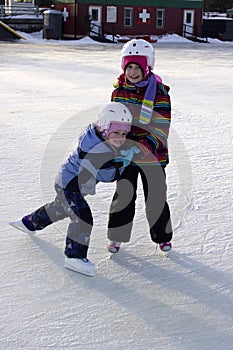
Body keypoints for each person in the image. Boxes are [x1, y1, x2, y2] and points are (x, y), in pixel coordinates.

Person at [10, 102, 135, 277]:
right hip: (69, 185)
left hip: (70, 182)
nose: (120, 138)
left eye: (124, 134)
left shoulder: (98, 138)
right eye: (116, 132)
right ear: (104, 129)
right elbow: (108, 176)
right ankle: (74, 257)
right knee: (82, 218)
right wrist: (124, 163)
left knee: (59, 209)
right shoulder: (97, 151)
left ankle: (29, 223)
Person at [107, 39, 173, 254]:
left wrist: (141, 147)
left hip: (153, 155)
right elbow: (114, 123)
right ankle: (116, 237)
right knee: (124, 195)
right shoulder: (118, 92)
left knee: (156, 196)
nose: (133, 72)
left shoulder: (160, 93)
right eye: (129, 66)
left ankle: (162, 237)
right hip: (125, 153)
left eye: (138, 67)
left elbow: (161, 128)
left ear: (147, 68)